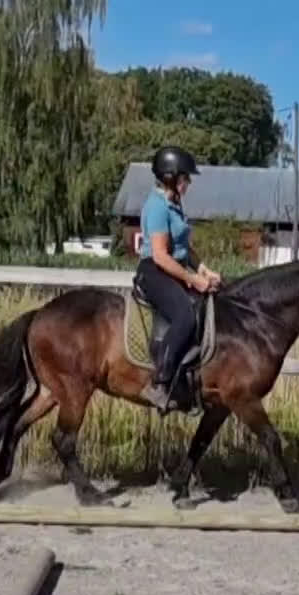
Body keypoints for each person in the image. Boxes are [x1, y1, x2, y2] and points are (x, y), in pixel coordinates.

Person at [134, 143, 221, 412]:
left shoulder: (174, 204)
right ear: (171, 177)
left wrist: (203, 268)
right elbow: (160, 255)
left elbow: (183, 246)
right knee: (185, 314)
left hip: (173, 266)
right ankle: (160, 382)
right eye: (186, 177)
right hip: (155, 270)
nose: (189, 183)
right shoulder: (157, 207)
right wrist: (193, 280)